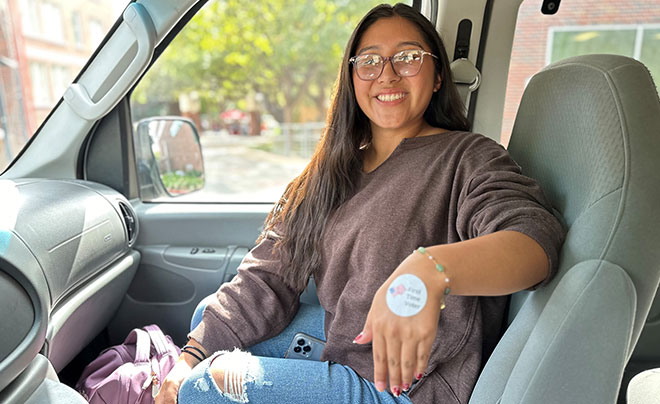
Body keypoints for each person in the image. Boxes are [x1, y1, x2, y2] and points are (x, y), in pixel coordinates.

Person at [155, 3, 565, 404]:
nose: (387, 75)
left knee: (205, 388)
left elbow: (533, 244)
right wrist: (186, 359)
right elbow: (268, 276)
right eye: (369, 61)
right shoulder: (333, 171)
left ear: (438, 74)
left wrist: (429, 270)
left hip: (412, 388)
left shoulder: (468, 157)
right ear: (352, 78)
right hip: (352, 351)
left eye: (407, 58)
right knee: (209, 322)